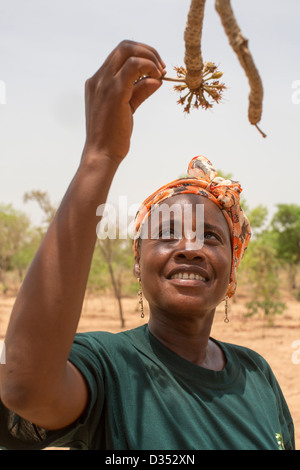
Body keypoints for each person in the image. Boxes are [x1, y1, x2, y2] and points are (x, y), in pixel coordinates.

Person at [0, 40, 295, 450]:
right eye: (168, 233)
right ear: (138, 262)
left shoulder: (257, 374)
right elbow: (25, 386)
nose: (190, 248)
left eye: (210, 236)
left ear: (233, 264)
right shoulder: (109, 364)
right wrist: (99, 156)